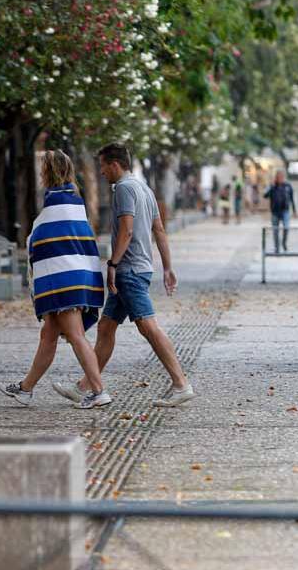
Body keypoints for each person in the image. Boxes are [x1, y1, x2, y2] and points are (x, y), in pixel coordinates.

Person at [53, 143, 196, 408]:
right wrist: (167, 267)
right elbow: (160, 230)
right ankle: (85, 387)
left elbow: (126, 231)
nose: (102, 172)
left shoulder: (124, 189)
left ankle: (180, 383)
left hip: (128, 270)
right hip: (139, 268)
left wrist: (113, 264)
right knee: (107, 327)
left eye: (103, 166)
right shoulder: (144, 188)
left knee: (148, 326)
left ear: (115, 164)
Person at [0, 150, 111, 409]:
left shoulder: (59, 199)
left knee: (75, 335)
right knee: (48, 335)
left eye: (42, 169)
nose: (39, 174)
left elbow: (52, 241)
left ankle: (98, 391)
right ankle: (26, 389)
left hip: (63, 279)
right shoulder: (73, 199)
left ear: (48, 171)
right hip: (72, 275)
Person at [264, 171, 295, 252]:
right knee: (275, 230)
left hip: (285, 211)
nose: (280, 178)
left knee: (286, 227)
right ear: (276, 178)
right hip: (275, 212)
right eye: (278, 177)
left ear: (283, 177)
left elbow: (292, 198)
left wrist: (294, 210)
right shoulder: (272, 187)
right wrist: (270, 187)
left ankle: (284, 243)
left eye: (281, 177)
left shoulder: (288, 186)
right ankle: (277, 247)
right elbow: (265, 195)